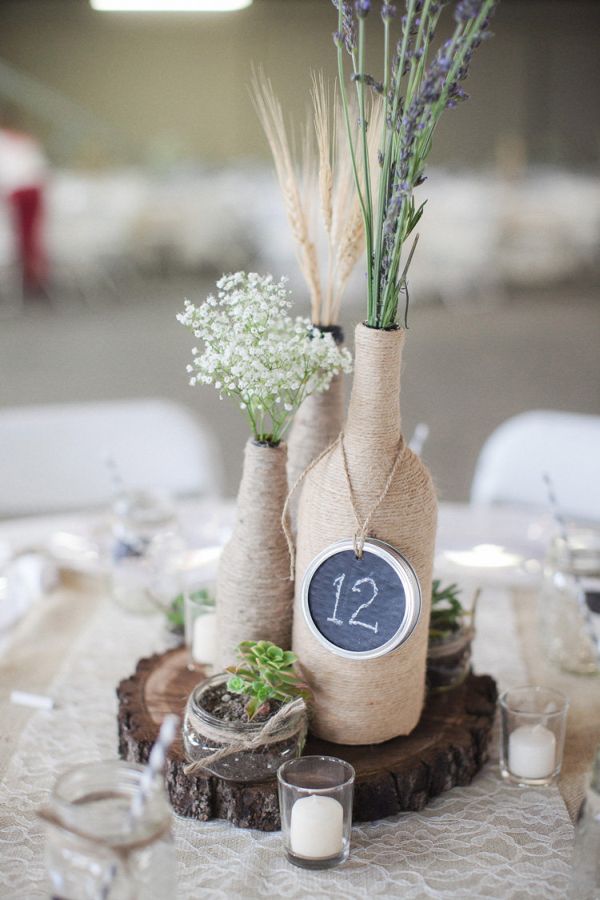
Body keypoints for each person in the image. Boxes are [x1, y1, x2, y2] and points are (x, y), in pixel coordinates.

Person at [0, 106, 48, 296]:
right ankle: (24, 278)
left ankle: (32, 279)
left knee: (30, 239)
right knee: (16, 239)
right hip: (12, 196)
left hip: (27, 194)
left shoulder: (24, 142)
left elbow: (37, 170)